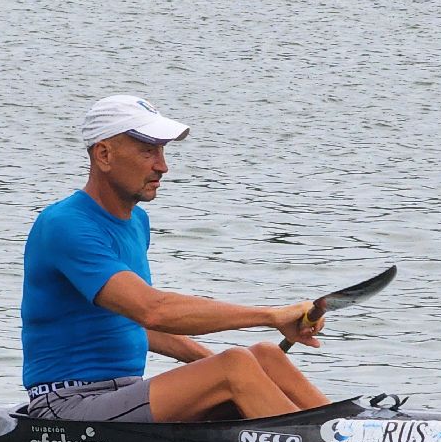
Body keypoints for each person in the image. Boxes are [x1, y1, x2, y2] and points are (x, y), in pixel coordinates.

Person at [21, 94, 330, 424]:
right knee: (236, 364)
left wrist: (224, 371)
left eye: (162, 150)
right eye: (147, 150)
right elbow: (153, 311)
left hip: (123, 394)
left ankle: (350, 432)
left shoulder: (137, 223)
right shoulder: (65, 226)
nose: (162, 166)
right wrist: (270, 317)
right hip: (66, 404)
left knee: (264, 356)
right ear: (105, 155)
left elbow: (135, 324)